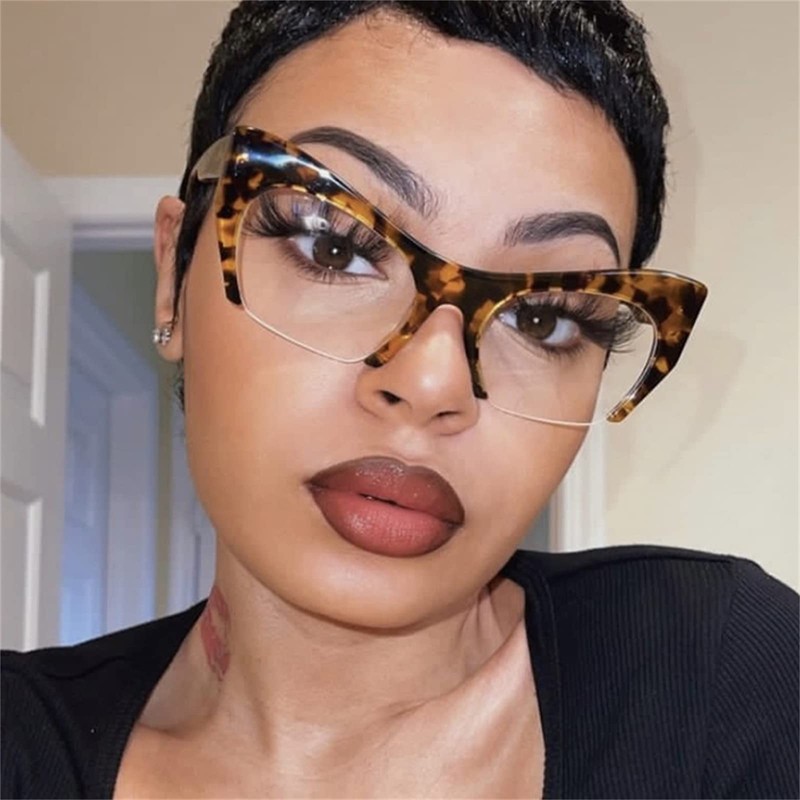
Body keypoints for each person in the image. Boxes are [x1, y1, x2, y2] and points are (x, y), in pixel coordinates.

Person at [2, 2, 798, 798]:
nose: (432, 384)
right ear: (174, 276)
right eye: (334, 247)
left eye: (543, 316)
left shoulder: (728, 685)